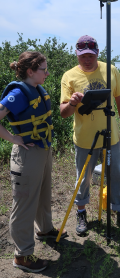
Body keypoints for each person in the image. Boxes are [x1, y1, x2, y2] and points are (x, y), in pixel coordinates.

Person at [60, 35, 120, 236]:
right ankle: (81, 212)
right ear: (77, 55)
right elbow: (63, 113)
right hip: (84, 139)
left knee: (116, 175)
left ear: (97, 54)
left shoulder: (110, 70)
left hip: (110, 136)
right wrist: (72, 102)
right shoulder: (69, 76)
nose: (87, 60)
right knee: (84, 177)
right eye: (82, 56)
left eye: (91, 55)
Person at [0, 51, 67, 273]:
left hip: (42, 150)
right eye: (43, 69)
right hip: (26, 155)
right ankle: (22, 256)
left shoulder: (37, 89)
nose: (47, 73)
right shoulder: (19, 93)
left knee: (43, 194)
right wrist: (12, 138)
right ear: (30, 71)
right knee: (25, 203)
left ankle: (45, 230)